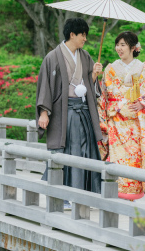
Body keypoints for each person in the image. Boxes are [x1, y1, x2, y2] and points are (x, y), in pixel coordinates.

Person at [35, 18, 104, 193]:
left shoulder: (85, 56)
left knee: (86, 150)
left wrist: (95, 75)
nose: (85, 39)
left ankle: (85, 192)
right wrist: (44, 112)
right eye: (82, 35)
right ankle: (64, 193)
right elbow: (45, 86)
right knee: (68, 151)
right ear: (72, 35)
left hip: (84, 111)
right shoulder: (52, 57)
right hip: (64, 112)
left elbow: (88, 85)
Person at [97, 31, 145, 201]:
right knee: (117, 159)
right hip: (116, 123)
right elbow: (105, 95)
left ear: (133, 47)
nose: (119, 48)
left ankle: (132, 194)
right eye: (117, 44)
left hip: (135, 123)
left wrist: (142, 103)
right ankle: (115, 192)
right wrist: (118, 106)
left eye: (123, 45)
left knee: (134, 159)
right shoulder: (110, 69)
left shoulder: (143, 68)